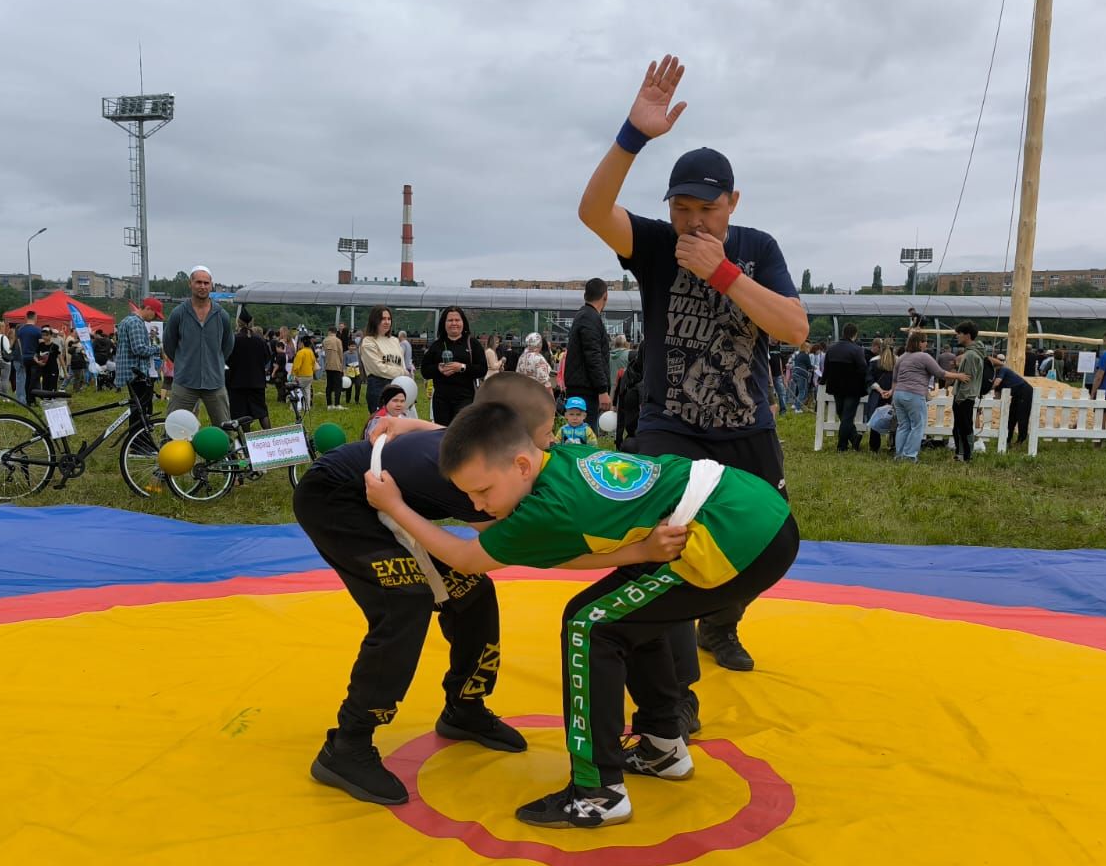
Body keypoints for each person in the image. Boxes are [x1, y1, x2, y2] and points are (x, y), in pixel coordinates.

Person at [364, 399, 799, 828]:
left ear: (520, 467)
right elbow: (489, 444)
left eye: (482, 493)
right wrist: (416, 426)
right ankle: (661, 745)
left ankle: (598, 792)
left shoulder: (547, 509)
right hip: (750, 508)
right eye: (468, 494)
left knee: (588, 625)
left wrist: (395, 506)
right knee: (625, 616)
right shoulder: (556, 457)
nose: (477, 506)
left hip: (731, 535)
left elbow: (465, 557)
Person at [577, 51, 808, 685]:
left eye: (706, 209)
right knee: (662, 542)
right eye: (681, 208)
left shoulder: (756, 249)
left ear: (732, 203)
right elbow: (593, 212)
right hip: (670, 420)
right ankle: (672, 684)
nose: (692, 221)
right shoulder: (655, 244)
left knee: (765, 535)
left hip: (744, 420)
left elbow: (794, 328)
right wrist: (633, 135)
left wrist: (725, 275)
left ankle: (721, 620)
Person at [294, 376, 564, 807]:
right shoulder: (476, 476)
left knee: (473, 594)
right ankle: (347, 745)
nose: (551, 446)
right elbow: (492, 548)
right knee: (406, 601)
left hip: (380, 500)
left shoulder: (479, 454)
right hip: (336, 498)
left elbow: (442, 434)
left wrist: (406, 427)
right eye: (546, 436)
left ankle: (465, 707)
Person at [161, 266, 234, 427]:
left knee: (225, 429)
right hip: (185, 381)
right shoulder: (178, 314)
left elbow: (227, 347)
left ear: (211, 285)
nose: (202, 286)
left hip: (215, 382)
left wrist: (213, 362)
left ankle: (228, 453)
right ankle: (171, 452)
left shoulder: (221, 316)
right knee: (174, 428)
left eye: (206, 283)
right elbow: (169, 344)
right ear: (190, 284)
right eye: (198, 282)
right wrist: (184, 361)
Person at [890, 330, 967, 461]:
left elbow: (895, 379)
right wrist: (959, 376)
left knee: (903, 426)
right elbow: (940, 373)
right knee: (918, 426)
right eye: (926, 341)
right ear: (920, 343)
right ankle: (909, 456)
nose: (927, 344)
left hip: (898, 394)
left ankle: (899, 454)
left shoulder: (902, 357)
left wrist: (893, 395)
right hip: (914, 394)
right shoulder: (923, 357)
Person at [420, 307, 486, 426]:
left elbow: (482, 369)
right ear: (444, 323)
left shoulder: (472, 344)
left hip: (465, 398)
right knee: (442, 433)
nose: (454, 323)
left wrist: (462, 367)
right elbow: (425, 370)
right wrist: (438, 369)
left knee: (460, 431)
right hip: (441, 399)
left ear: (463, 323)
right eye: (450, 320)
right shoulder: (437, 345)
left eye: (457, 320)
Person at [562, 278, 613, 429]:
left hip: (581, 387)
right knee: (585, 436)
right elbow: (593, 356)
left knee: (578, 434)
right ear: (605, 296)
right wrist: (602, 390)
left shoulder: (584, 315)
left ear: (585, 296)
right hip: (586, 390)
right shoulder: (590, 318)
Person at [823, 323, 869, 452]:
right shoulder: (857, 350)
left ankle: (854, 438)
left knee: (843, 414)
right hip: (853, 388)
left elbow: (826, 368)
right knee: (847, 416)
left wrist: (822, 382)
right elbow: (863, 368)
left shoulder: (831, 349)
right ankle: (842, 446)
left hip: (836, 387)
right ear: (855, 334)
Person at [115, 299, 162, 418]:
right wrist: (158, 348)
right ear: (148, 309)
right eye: (155, 314)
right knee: (140, 410)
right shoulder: (136, 323)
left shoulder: (127, 320)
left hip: (130, 371)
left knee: (137, 408)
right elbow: (139, 349)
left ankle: (136, 435)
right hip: (136, 373)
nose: (155, 317)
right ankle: (138, 435)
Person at [950, 322, 987, 462]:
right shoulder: (975, 352)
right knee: (962, 425)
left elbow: (967, 379)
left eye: (959, 333)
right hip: (968, 395)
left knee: (963, 426)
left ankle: (965, 455)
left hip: (964, 396)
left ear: (968, 335)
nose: (957, 336)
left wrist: (960, 397)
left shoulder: (971, 355)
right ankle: (963, 454)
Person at [226, 321, 273, 431]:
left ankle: (247, 440)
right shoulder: (260, 340)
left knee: (242, 413)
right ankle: (270, 435)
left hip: (238, 382)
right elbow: (267, 358)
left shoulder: (234, 340)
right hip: (257, 381)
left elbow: (227, 359)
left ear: (238, 324)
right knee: (262, 412)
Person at [359, 307, 406, 412]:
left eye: (389, 319)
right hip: (378, 387)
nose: (387, 322)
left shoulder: (394, 340)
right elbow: (378, 369)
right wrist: (402, 372)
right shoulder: (368, 342)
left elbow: (401, 364)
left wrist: (404, 376)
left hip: (398, 386)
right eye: (383, 319)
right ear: (374, 321)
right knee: (383, 425)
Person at [988, 354, 1034, 448]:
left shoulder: (1003, 370)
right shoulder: (994, 375)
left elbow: (997, 383)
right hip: (1016, 394)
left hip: (1025, 391)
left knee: (1022, 417)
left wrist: (986, 388)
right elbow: (997, 396)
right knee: (1011, 417)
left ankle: (1020, 440)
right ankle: (1008, 440)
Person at [866, 345, 896, 453]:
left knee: (876, 420)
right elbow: (900, 379)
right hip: (893, 395)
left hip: (877, 395)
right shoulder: (898, 361)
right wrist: (891, 391)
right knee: (895, 421)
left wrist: (880, 390)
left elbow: (869, 378)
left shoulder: (874, 361)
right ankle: (894, 445)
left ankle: (874, 447)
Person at [14, 310, 43, 404]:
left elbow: (19, 343)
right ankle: (31, 399)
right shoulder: (38, 330)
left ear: (26, 317)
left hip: (25, 357)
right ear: (35, 317)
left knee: (28, 378)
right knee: (34, 379)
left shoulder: (21, 330)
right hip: (34, 357)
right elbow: (41, 344)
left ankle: (27, 398)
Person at [322, 324, 346, 409]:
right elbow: (340, 354)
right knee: (338, 386)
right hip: (336, 365)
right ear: (335, 332)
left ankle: (329, 404)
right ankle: (337, 404)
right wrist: (342, 365)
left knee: (329, 385)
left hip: (328, 365)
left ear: (329, 332)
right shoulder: (338, 341)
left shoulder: (325, 340)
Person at [34, 326, 61, 395]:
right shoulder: (40, 345)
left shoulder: (55, 346)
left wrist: (65, 371)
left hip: (53, 369)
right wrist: (37, 361)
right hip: (44, 369)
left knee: (52, 385)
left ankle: (52, 400)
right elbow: (35, 355)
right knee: (45, 385)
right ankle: (46, 400)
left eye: (46, 335)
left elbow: (60, 358)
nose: (44, 337)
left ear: (51, 335)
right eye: (43, 335)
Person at [291, 333, 316, 406]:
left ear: (302, 343)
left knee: (296, 391)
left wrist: (294, 375)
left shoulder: (300, 353)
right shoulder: (311, 352)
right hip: (309, 375)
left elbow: (296, 366)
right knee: (307, 392)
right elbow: (313, 363)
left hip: (301, 376)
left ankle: (296, 407)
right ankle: (307, 407)